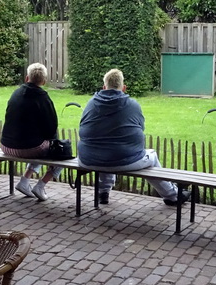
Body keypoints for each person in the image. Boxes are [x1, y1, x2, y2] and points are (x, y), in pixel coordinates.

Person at [77, 68, 188, 207]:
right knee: (151, 156)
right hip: (123, 160)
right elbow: (141, 128)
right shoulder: (132, 105)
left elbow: (82, 127)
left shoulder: (90, 104)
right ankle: (172, 196)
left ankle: (103, 192)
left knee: (107, 150)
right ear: (123, 88)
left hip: (88, 159)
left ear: (104, 87)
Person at [1, 62, 63, 201]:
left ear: (26, 77)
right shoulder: (43, 98)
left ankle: (24, 181)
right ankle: (40, 186)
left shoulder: (15, 93)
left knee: (41, 144)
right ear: (44, 81)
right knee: (60, 151)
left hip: (6, 145)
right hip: (27, 149)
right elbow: (51, 128)